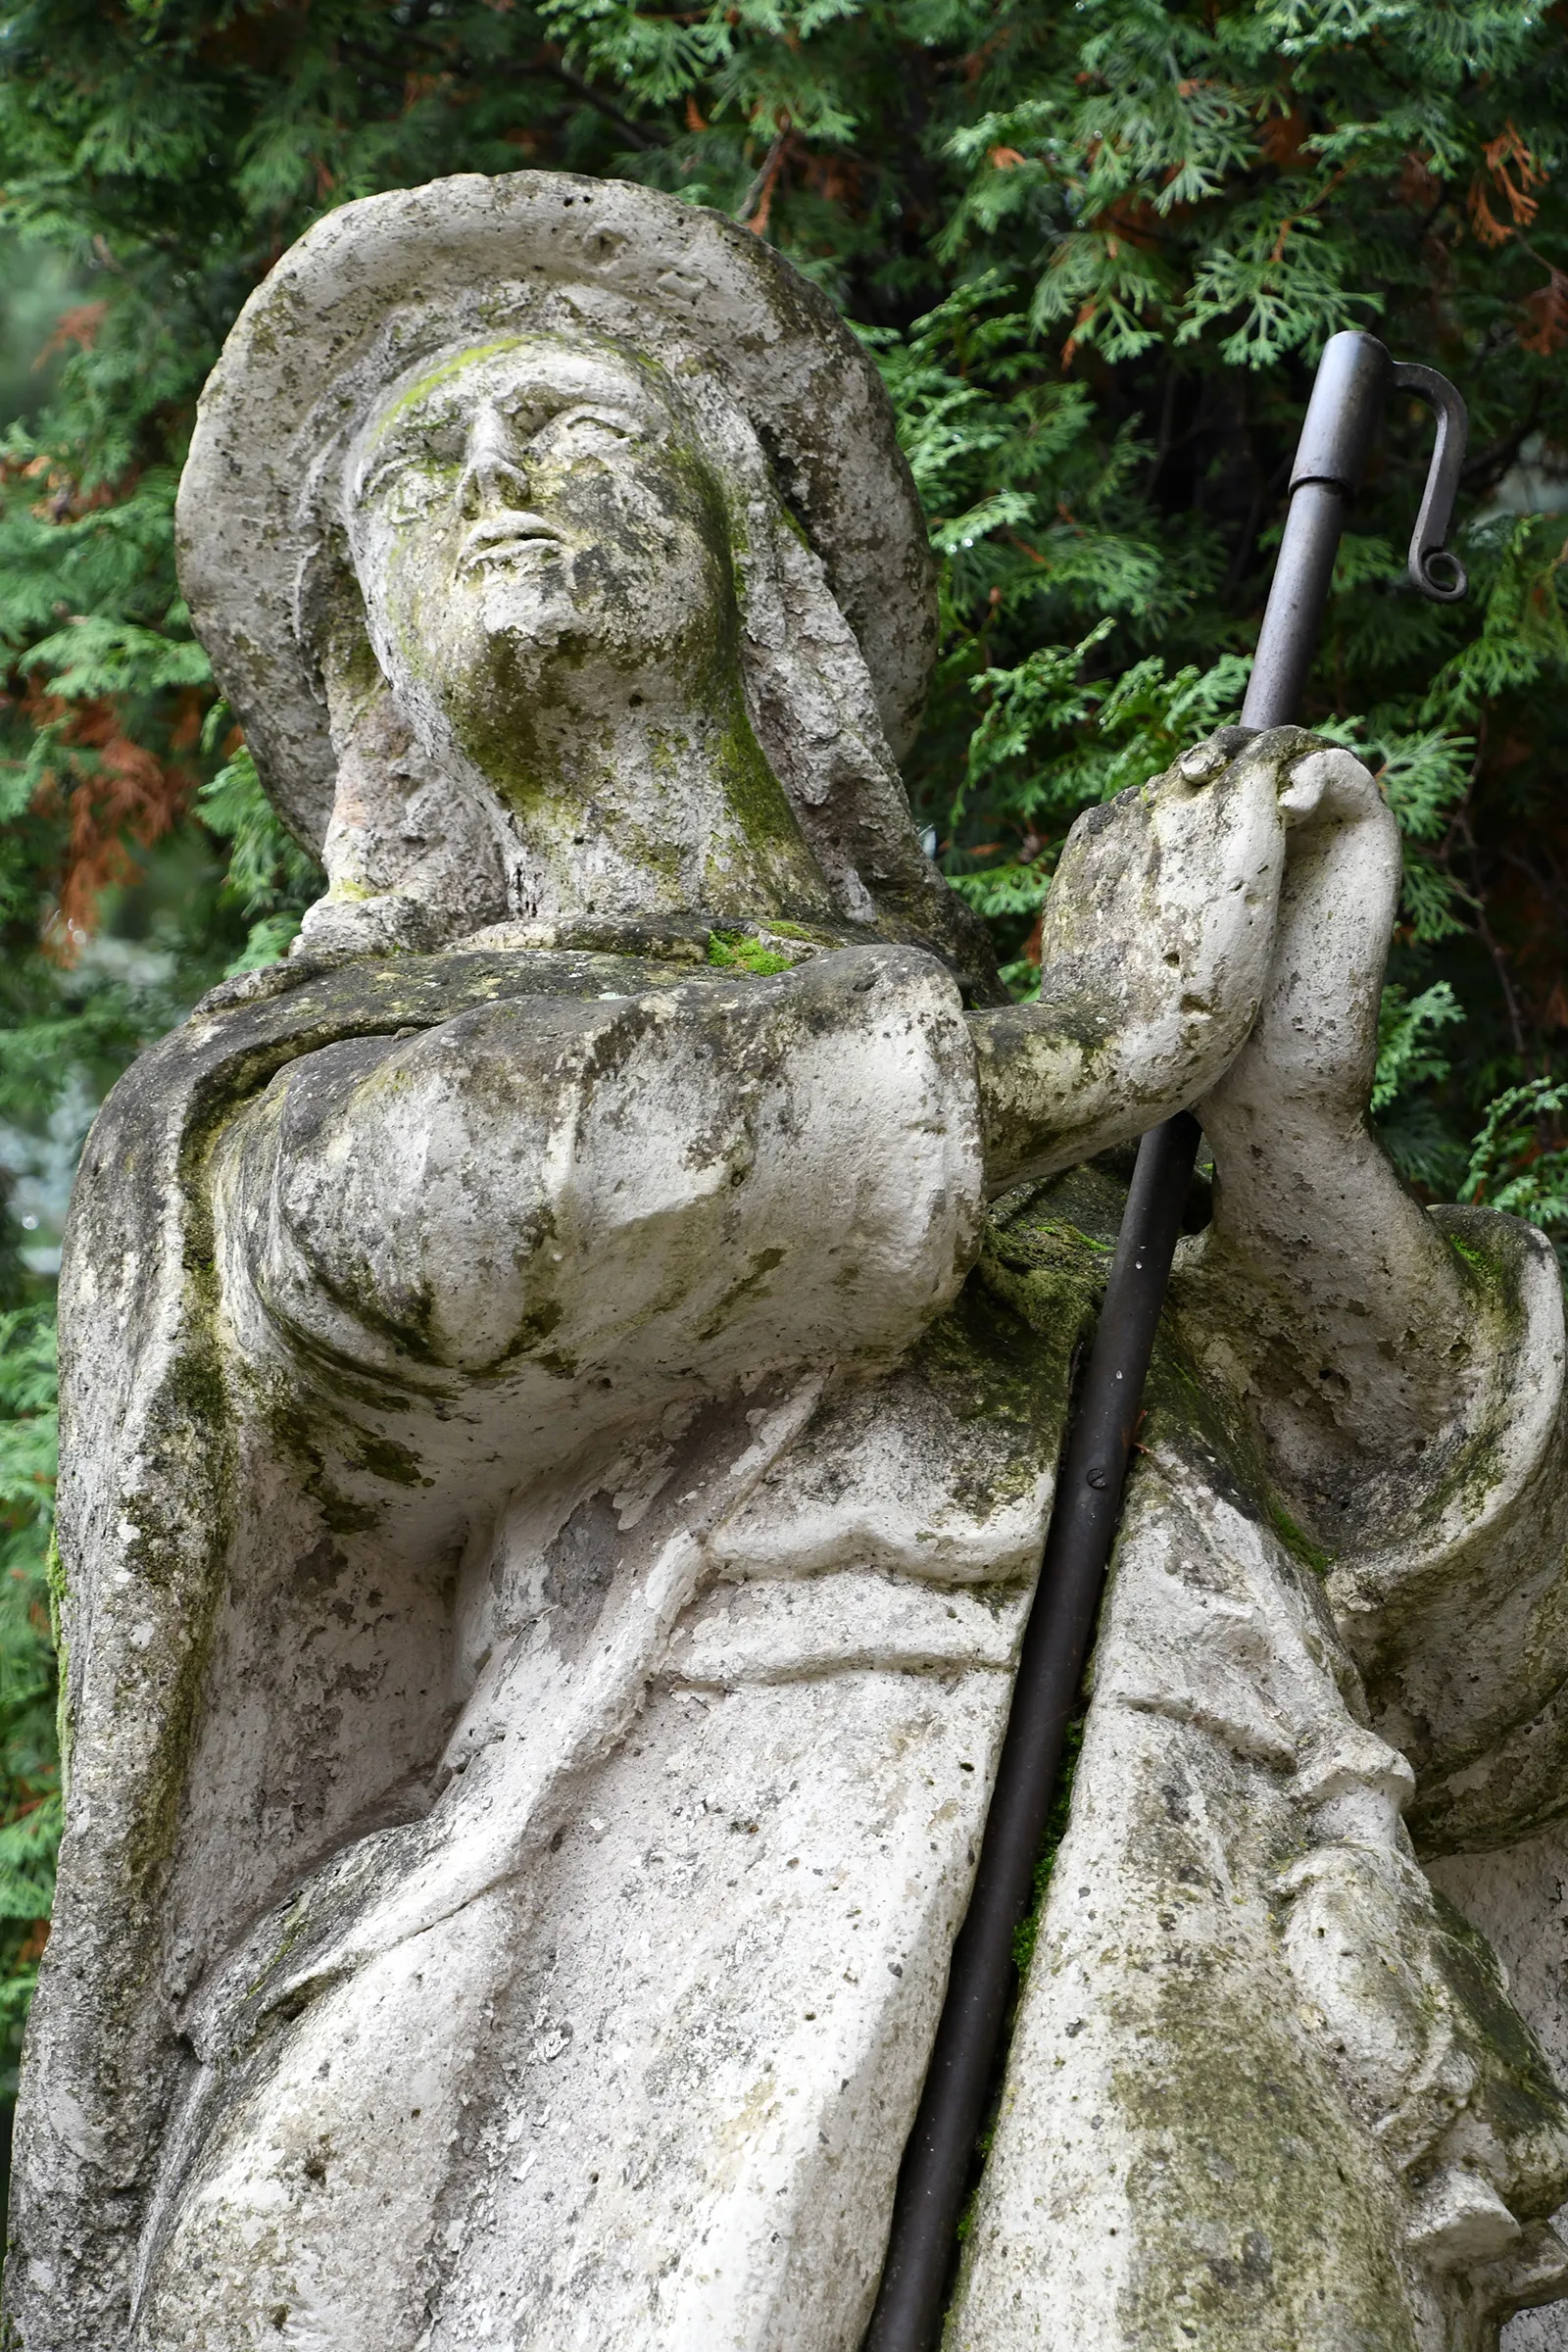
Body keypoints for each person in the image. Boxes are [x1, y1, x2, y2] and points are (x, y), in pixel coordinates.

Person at [9, 172, 1568, 2352]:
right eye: (424, 475)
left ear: (752, 567)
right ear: (366, 659)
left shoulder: (1072, 1170)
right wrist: (1087, 1052)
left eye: (576, 429)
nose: (501, 487)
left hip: (1218, 1879)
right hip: (677, 1915)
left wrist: (1283, 1131)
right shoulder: (311, 1079)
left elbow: (1477, 1616)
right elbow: (425, 1241)